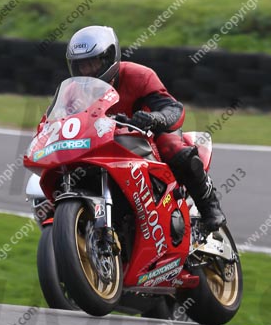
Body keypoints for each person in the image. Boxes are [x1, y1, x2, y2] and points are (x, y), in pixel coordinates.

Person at [65, 25, 225, 233]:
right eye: (81, 66)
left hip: (148, 136)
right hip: (103, 145)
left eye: (92, 63)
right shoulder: (72, 91)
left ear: (108, 59)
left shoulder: (139, 75)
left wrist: (154, 118)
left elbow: (174, 109)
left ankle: (209, 206)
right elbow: (64, 122)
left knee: (174, 148)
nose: (86, 71)